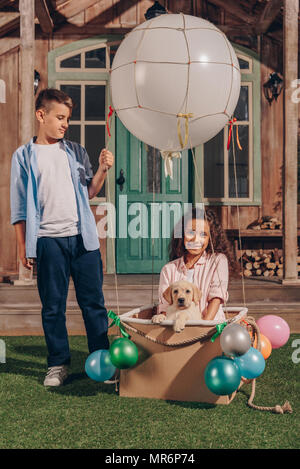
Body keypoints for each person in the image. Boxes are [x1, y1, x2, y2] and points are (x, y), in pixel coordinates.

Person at [10, 88, 114, 387]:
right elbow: (19, 208)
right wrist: (24, 247)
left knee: (93, 303)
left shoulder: (77, 151)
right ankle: (57, 364)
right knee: (53, 306)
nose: (65, 124)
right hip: (47, 242)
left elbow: (90, 192)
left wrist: (103, 170)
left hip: (83, 241)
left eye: (67, 118)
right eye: (59, 117)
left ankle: (102, 361)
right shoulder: (24, 156)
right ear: (41, 115)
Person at [155, 206, 239, 321]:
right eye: (190, 232)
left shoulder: (218, 261)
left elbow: (216, 298)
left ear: (211, 238)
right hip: (176, 329)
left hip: (209, 327)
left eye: (203, 234)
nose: (195, 240)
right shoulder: (168, 269)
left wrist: (203, 327)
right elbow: (165, 306)